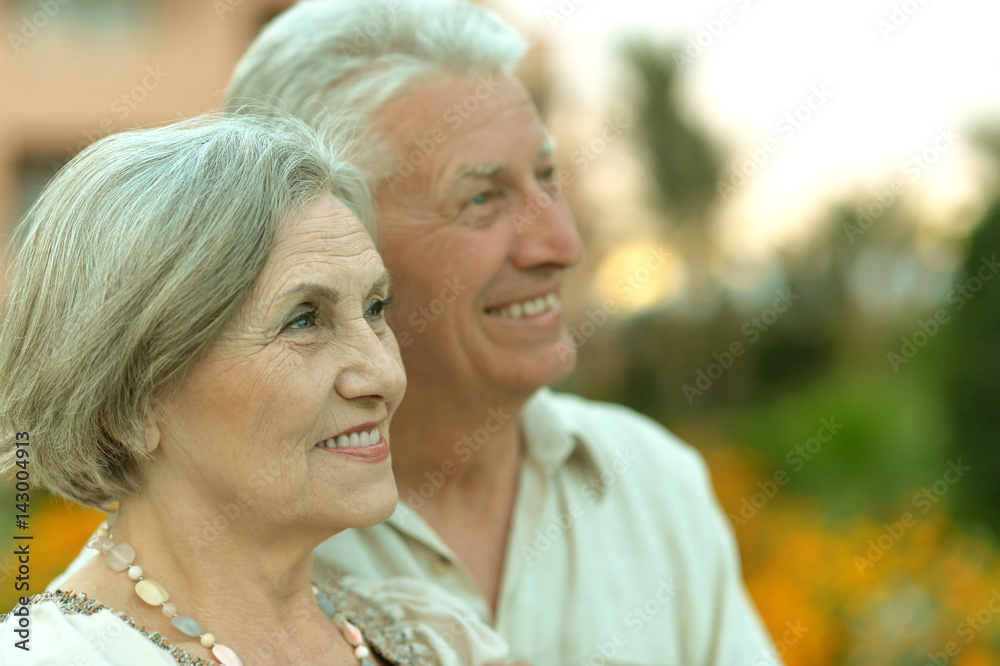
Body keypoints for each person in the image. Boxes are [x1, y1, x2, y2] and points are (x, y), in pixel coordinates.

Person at [224, 1, 781, 664]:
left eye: (547, 177)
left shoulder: (652, 482)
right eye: (481, 199)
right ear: (322, 244)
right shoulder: (222, 542)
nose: (562, 245)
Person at [0, 113, 511, 665]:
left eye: (374, 309)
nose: (385, 376)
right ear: (130, 402)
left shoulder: (435, 638)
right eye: (304, 321)